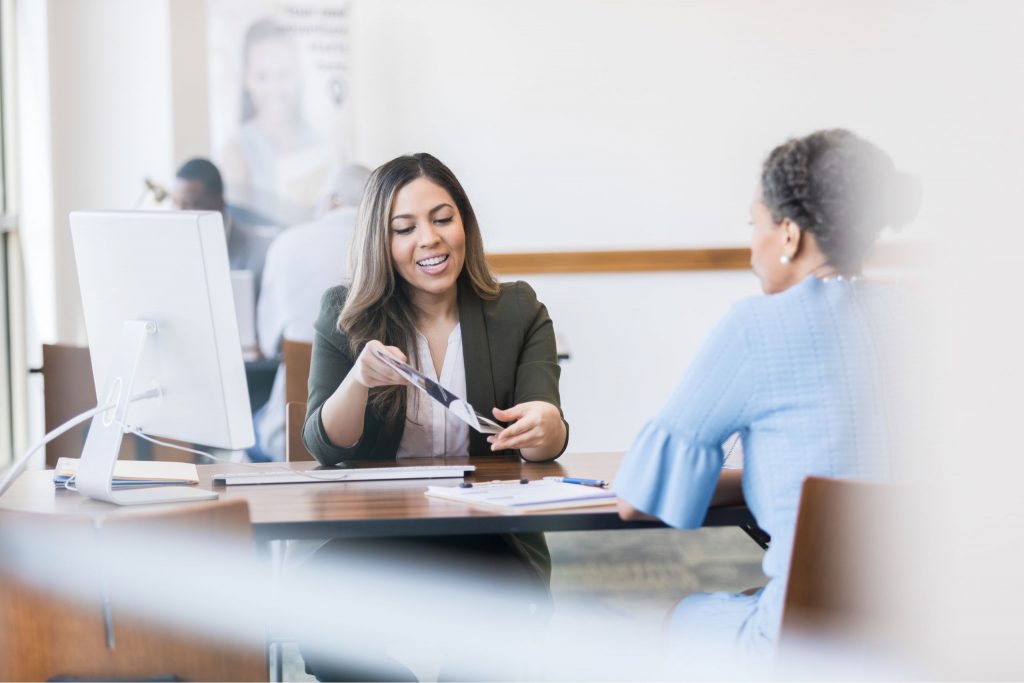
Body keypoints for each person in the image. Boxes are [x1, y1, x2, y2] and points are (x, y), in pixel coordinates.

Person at [615, 129, 920, 665]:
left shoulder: (756, 327)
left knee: (673, 619)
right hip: (926, 636)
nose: (751, 244)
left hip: (800, 643)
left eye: (752, 224)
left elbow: (636, 498)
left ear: (788, 234)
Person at [300, 153, 569, 680]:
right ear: (382, 242)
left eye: (443, 219)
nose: (430, 239)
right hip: (377, 533)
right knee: (321, 614)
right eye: (405, 228)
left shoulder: (517, 309)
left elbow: (546, 436)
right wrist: (357, 381)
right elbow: (324, 446)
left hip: (489, 536)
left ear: (464, 222)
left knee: (496, 631)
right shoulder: (343, 313)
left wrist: (545, 425)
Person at [249, 164, 371, 461]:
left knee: (251, 430)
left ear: (332, 199)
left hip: (291, 432)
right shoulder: (388, 243)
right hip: (372, 435)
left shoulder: (287, 243)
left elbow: (267, 344)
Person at [220, 18, 331, 227]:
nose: (276, 88)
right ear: (246, 79)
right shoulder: (237, 151)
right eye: (262, 76)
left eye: (284, 74)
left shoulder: (320, 141)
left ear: (299, 75)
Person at [171, 157, 280, 297]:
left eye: (189, 204)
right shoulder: (172, 250)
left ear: (219, 203)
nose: (179, 213)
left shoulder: (262, 253)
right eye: (174, 202)